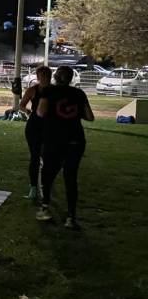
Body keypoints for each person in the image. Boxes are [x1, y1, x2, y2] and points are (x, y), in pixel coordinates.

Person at [35, 65, 94, 228]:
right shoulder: (79, 93)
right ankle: (71, 217)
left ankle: (45, 208)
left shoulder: (48, 91)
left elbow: (40, 112)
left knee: (48, 174)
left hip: (54, 139)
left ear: (55, 77)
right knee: (71, 178)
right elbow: (90, 116)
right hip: (75, 140)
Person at [19, 65, 51, 201]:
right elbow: (22, 104)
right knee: (35, 157)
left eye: (47, 75)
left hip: (49, 127)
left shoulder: (54, 91)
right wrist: (27, 111)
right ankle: (33, 188)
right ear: (38, 77)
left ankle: (46, 186)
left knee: (48, 158)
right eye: (41, 75)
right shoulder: (32, 90)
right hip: (34, 127)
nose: (44, 78)